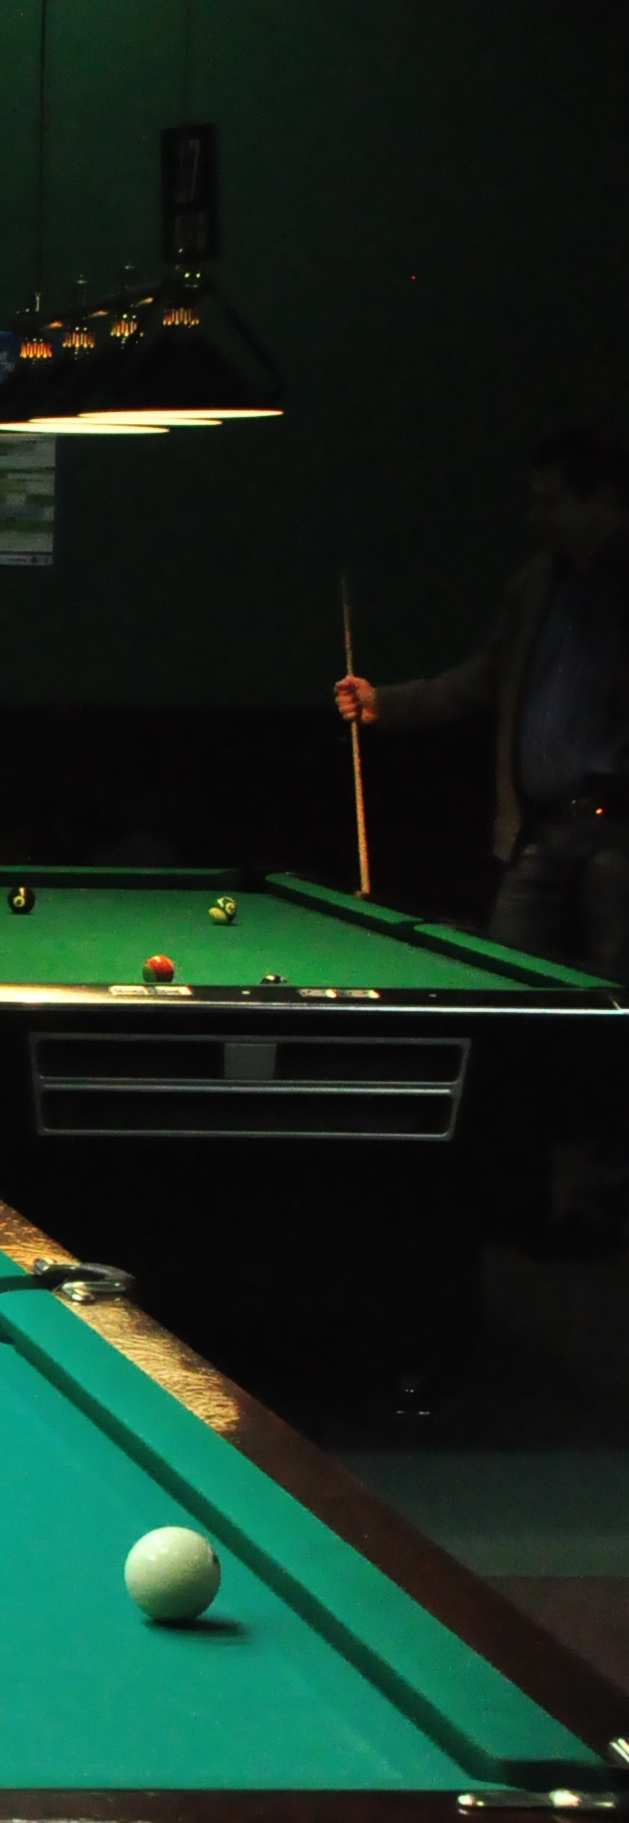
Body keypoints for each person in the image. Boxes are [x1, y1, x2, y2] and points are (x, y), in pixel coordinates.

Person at [336, 426, 628, 1248]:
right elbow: (485, 679)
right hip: (541, 833)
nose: (537, 516)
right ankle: (509, 1194)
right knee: (506, 1014)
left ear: (604, 501)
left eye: (551, 500)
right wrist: (387, 702)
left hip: (621, 839)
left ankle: (601, 1210)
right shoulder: (538, 582)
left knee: (615, 1026)